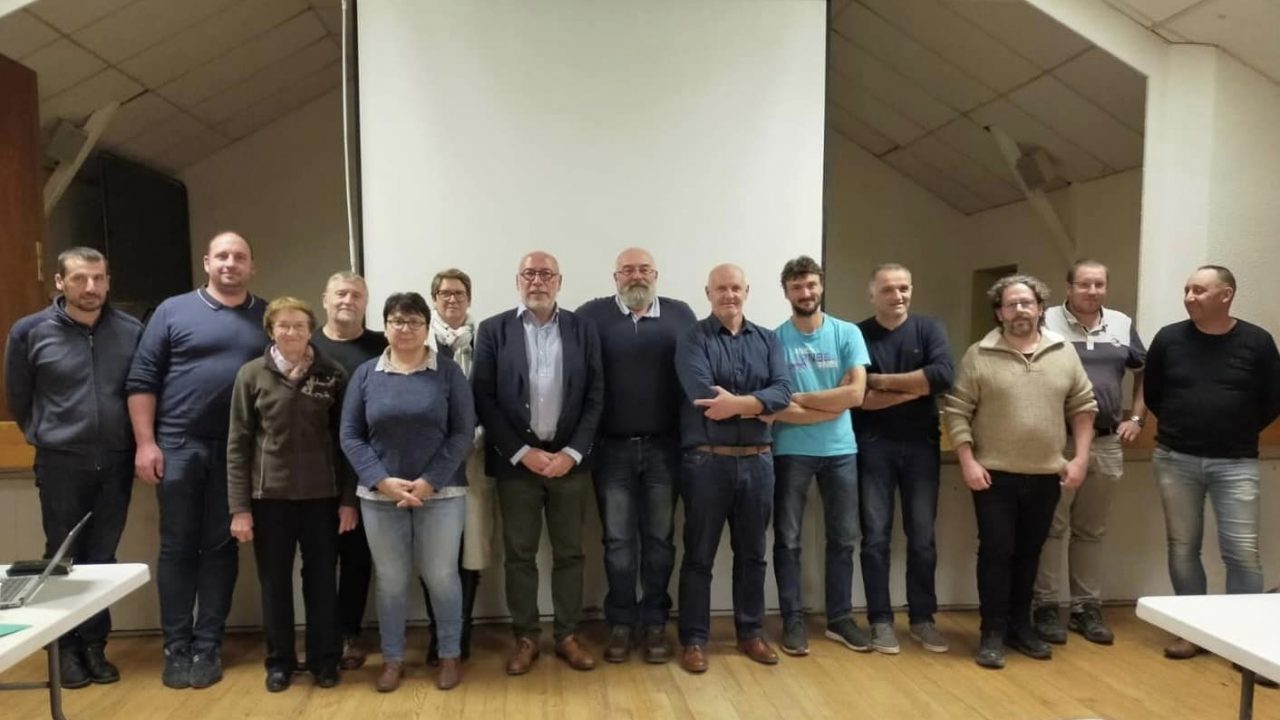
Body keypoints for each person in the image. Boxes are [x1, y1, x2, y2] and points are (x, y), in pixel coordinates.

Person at [126, 232, 267, 689]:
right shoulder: (172, 311)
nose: (230, 263)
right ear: (207, 262)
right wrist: (146, 443)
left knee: (220, 547)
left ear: (251, 266)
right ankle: (176, 646)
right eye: (222, 255)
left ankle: (208, 645)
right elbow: (142, 379)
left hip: (237, 450)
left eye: (239, 257)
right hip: (179, 444)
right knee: (177, 547)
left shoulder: (266, 316)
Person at [4, 247, 142, 687]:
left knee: (102, 559)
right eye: (80, 279)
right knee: (62, 558)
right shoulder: (29, 332)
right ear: (60, 283)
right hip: (61, 462)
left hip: (116, 461)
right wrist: (48, 436)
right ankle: (63, 650)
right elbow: (20, 398)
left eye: (99, 279)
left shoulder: (130, 331)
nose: (91, 288)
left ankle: (94, 648)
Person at [943, 274, 1096, 670]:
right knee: (996, 552)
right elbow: (957, 411)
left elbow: (1083, 407)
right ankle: (991, 632)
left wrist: (1079, 458)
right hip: (992, 475)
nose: (1020, 310)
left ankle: (1020, 627)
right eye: (1011, 304)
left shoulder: (1063, 353)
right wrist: (968, 461)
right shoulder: (980, 354)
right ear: (999, 312)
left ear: (1041, 307)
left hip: (1047, 474)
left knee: (1030, 553)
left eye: (1027, 303)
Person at [472, 251, 604, 675]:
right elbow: (484, 398)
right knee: (519, 555)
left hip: (571, 465)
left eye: (546, 274)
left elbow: (596, 396)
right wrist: (520, 451)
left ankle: (566, 634)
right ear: (517, 281)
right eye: (529, 274)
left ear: (559, 282)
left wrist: (572, 453)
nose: (537, 281)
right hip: (516, 466)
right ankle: (526, 635)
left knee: (570, 553)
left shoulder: (584, 329)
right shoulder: (494, 330)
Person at [340, 292, 475, 692]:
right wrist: (381, 480)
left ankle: (449, 654)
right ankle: (393, 658)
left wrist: (430, 480)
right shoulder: (366, 374)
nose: (405, 329)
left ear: (426, 327)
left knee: (442, 577)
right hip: (380, 498)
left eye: (414, 321)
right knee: (392, 580)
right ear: (385, 326)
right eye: (397, 321)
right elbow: (350, 435)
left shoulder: (448, 373)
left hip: (442, 493)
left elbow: (462, 433)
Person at [1144, 265, 1280, 661]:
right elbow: (1154, 393)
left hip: (1236, 462)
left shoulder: (1257, 342)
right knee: (1183, 547)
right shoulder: (1168, 339)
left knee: (1241, 552)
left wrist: (1235, 427)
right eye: (1186, 289)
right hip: (1175, 458)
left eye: (1199, 290)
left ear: (1226, 295)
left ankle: (1244, 641)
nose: (1189, 297)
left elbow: (1273, 399)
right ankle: (1193, 631)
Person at [227, 297, 355, 692]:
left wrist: (348, 500)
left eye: (300, 325)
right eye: (283, 326)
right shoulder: (251, 375)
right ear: (270, 330)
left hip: (323, 498)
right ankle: (280, 661)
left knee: (320, 582)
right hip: (270, 500)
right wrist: (240, 508)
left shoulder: (332, 374)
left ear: (311, 329)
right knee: (275, 583)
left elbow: (347, 442)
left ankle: (324, 660)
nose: (292, 333)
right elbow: (238, 444)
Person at [575, 248, 697, 664]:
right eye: (627, 270)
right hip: (612, 451)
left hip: (666, 449)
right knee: (618, 543)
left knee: (661, 542)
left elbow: (695, 380)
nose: (636, 276)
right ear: (615, 277)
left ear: (656, 274)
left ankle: (656, 623)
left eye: (643, 269)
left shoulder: (682, 315)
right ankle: (621, 623)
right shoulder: (591, 316)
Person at [674, 263, 792, 674]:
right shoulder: (691, 338)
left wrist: (741, 404)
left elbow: (784, 390)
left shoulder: (769, 339)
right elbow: (704, 396)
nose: (729, 295)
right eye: (721, 288)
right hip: (707, 462)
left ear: (748, 291)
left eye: (736, 288)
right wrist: (760, 406)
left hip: (759, 463)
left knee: (753, 555)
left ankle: (750, 633)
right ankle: (692, 639)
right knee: (699, 556)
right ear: (708, 292)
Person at [1033, 260, 1146, 646]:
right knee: (1052, 527)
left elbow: (1143, 370)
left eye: (1099, 284)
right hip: (1056, 441)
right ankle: (1045, 606)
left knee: (1091, 530)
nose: (1092, 291)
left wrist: (1137, 417)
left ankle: (1085, 608)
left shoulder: (1120, 323)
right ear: (1068, 287)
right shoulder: (1044, 320)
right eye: (1084, 284)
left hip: (1107, 442)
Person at [766, 256, 871, 657]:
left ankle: (840, 618)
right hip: (790, 451)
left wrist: (803, 399)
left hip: (841, 451)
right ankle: (792, 617)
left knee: (843, 539)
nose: (805, 293)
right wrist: (833, 401)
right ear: (786, 292)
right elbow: (775, 408)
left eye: (811, 285)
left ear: (821, 286)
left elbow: (856, 395)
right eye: (797, 287)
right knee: (788, 540)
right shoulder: (773, 340)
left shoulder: (848, 334)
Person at [854, 263, 953, 655]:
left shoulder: (930, 329)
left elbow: (944, 376)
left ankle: (922, 619)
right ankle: (880, 621)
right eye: (889, 289)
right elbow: (860, 396)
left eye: (904, 288)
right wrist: (918, 385)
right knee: (875, 538)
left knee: (923, 539)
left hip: (922, 448)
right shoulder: (858, 334)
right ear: (872, 293)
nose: (898, 296)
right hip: (873, 445)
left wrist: (881, 380)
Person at [310, 271, 387, 670]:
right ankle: (321, 636)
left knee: (357, 560)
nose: (347, 300)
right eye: (340, 293)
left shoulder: (381, 347)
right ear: (325, 299)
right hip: (311, 473)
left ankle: (349, 634)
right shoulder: (306, 346)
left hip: (362, 471)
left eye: (356, 295)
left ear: (365, 302)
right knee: (318, 561)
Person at [422, 268, 494, 665]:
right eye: (444, 293)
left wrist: (476, 437)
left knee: (471, 549)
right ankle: (438, 632)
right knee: (436, 552)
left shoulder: (487, 341)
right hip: (430, 465)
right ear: (434, 298)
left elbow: (496, 395)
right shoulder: (419, 340)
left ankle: (461, 630)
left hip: (476, 460)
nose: (452, 299)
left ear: (469, 298)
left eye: (459, 293)